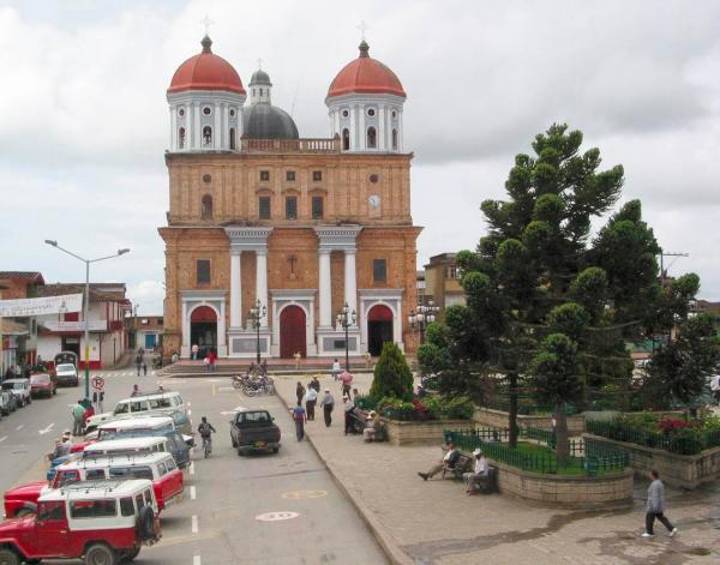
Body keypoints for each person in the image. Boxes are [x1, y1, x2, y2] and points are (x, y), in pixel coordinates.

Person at [642, 469, 677, 538]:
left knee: (649, 518)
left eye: (650, 474)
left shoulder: (655, 484)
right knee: (661, 518)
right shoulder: (659, 483)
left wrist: (654, 506)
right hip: (658, 505)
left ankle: (650, 532)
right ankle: (672, 528)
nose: (649, 476)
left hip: (653, 506)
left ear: (653, 475)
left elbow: (655, 496)